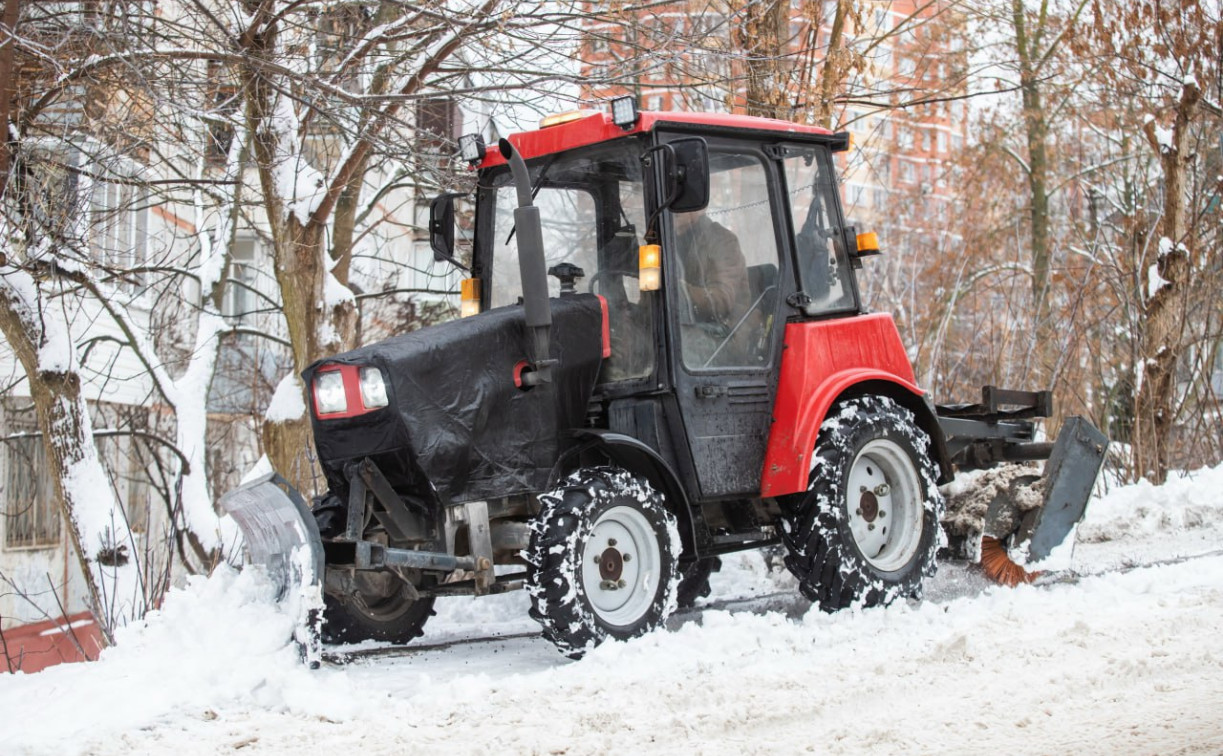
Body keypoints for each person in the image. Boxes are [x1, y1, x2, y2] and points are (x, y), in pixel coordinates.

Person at [672, 209, 751, 365]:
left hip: (724, 335)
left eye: (682, 200)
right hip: (682, 329)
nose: (674, 209)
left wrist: (678, 290)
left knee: (679, 341)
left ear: (700, 206)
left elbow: (721, 301)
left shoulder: (722, 241)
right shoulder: (666, 242)